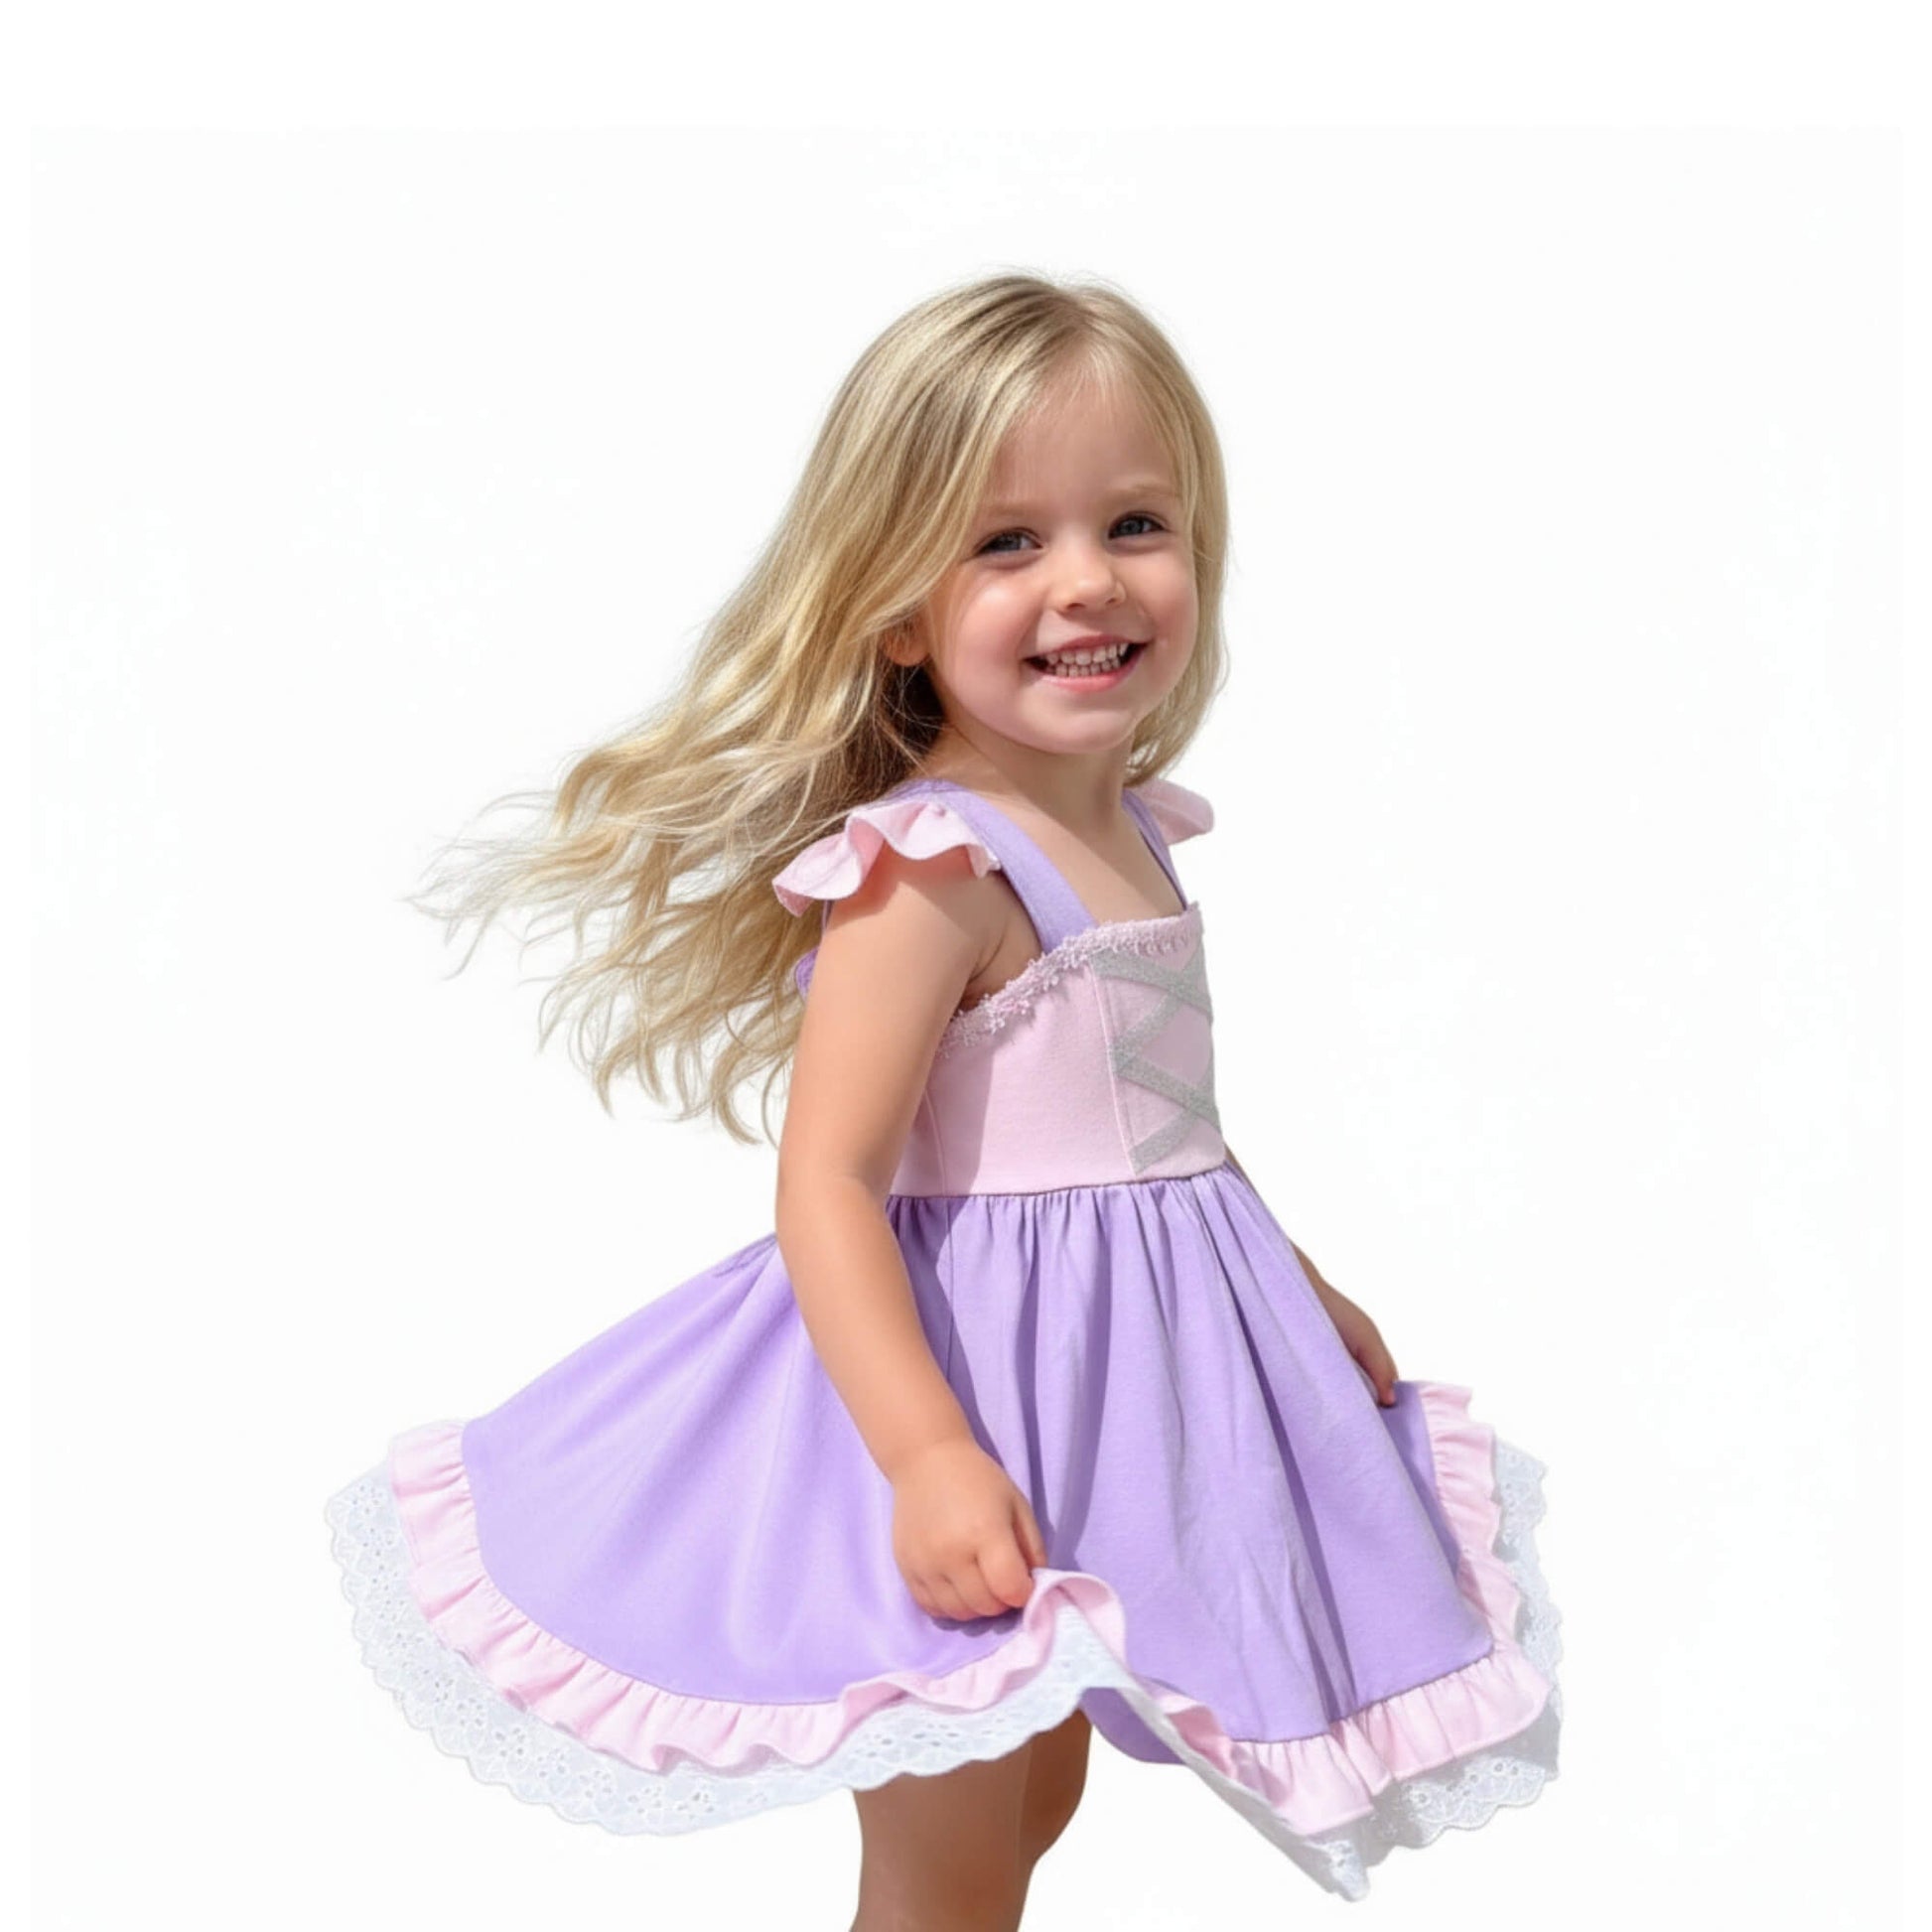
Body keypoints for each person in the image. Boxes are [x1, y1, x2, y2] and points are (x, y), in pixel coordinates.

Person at [324, 270, 1563, 1927]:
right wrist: (922, 1453)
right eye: (1005, 542)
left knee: (1036, 1789)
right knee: (950, 1847)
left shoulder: (1133, 828)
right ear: (897, 607)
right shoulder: (929, 868)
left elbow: (1164, 1123)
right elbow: (826, 1182)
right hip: (976, 1382)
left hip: (1132, 1384)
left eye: (1135, 523)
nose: (1085, 579)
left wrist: (1294, 1281)